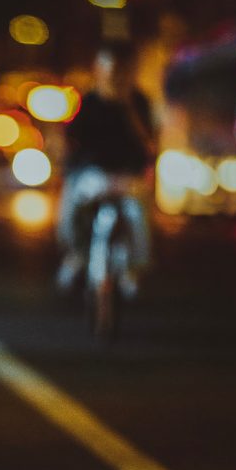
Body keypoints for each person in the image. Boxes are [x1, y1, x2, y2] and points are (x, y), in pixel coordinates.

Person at [56, 43, 156, 296]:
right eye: (107, 69)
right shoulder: (88, 101)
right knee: (72, 210)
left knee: (137, 216)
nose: (113, 76)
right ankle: (77, 255)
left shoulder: (139, 102)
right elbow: (69, 140)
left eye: (118, 70)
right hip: (92, 174)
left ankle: (132, 269)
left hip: (128, 176)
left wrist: (128, 108)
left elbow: (150, 142)